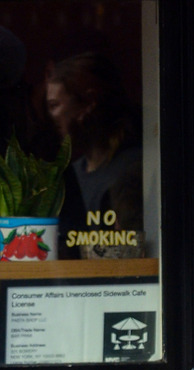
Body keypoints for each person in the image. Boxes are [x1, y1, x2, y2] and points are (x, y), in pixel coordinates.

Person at [45, 52, 144, 258]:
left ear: (89, 102)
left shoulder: (134, 169)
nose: (51, 116)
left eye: (55, 105)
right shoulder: (70, 175)